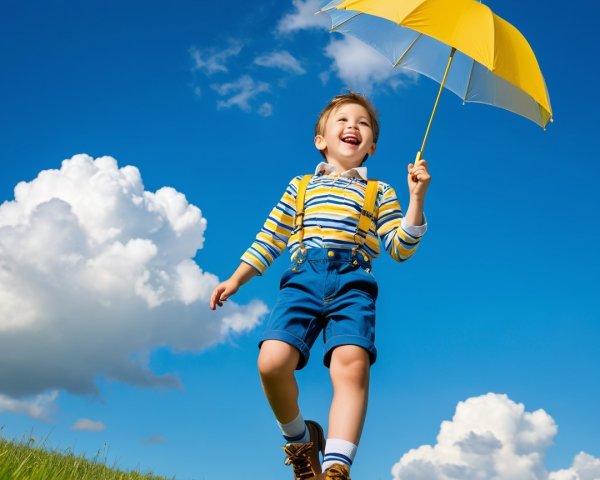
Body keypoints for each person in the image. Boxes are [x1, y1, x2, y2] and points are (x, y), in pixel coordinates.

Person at [210, 92, 431, 480]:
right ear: (321, 140)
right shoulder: (299, 187)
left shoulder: (380, 192)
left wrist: (416, 199)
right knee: (272, 362)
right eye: (343, 120)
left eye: (363, 124)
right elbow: (270, 238)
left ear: (372, 147)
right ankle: (300, 439)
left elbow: (399, 248)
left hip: (353, 284)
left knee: (352, 366)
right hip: (302, 281)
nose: (353, 127)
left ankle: (336, 468)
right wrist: (236, 278)